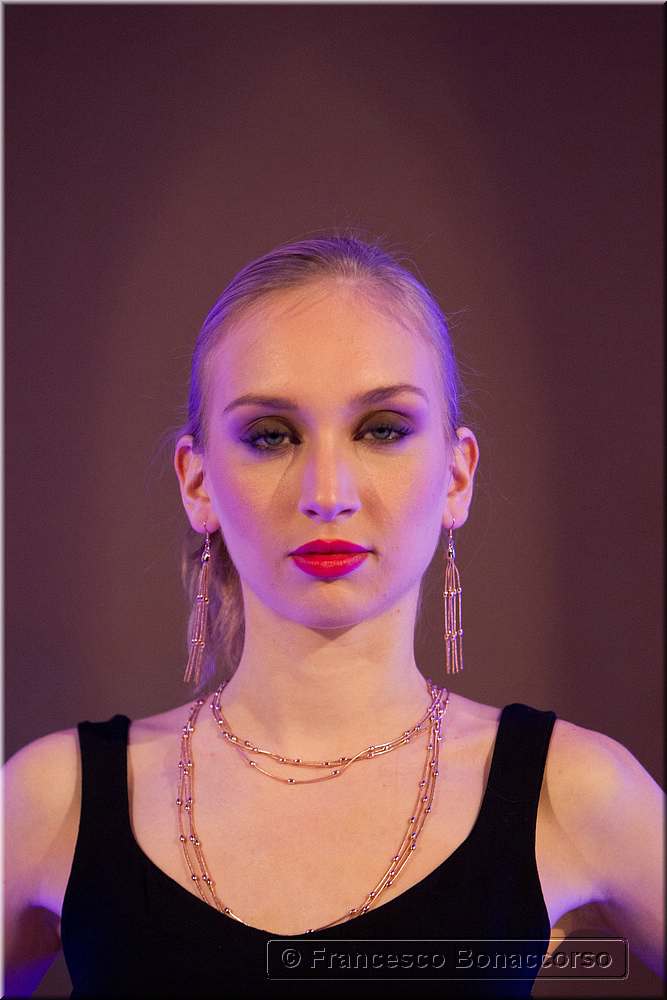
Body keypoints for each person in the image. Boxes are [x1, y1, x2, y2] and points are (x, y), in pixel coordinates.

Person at [3, 234, 663, 998]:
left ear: (456, 476)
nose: (326, 492)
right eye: (270, 436)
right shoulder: (54, 801)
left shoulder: (568, 792)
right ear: (197, 483)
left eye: (381, 429)